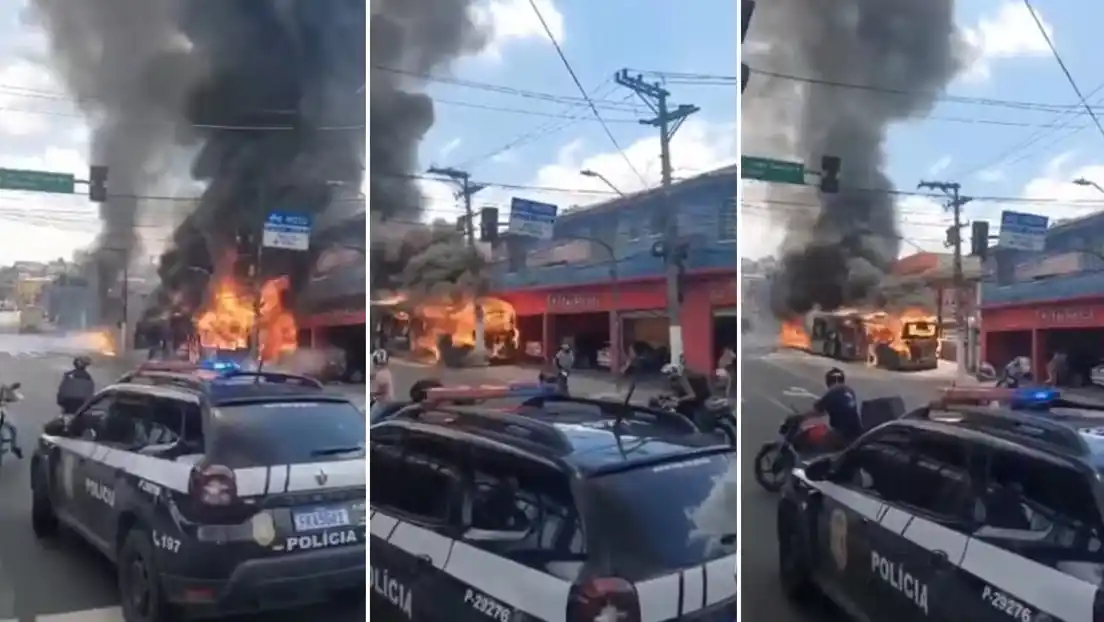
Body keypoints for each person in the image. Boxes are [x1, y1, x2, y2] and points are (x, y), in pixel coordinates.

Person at [805, 368, 863, 448]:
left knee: (814, 441)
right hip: (857, 433)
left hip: (842, 434)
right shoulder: (850, 391)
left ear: (828, 381)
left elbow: (817, 411)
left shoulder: (832, 392)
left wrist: (801, 417)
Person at [660, 362, 713, 426]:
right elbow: (677, 391)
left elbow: (692, 395)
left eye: (667, 374)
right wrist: (667, 396)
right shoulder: (674, 379)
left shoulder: (682, 378)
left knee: (685, 407)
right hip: (694, 392)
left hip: (700, 394)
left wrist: (678, 400)